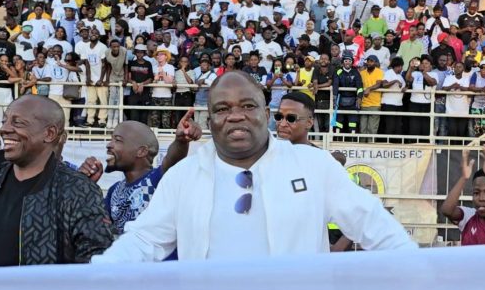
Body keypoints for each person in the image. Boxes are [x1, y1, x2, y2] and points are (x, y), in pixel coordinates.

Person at [92, 71, 416, 262]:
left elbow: (374, 225)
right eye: (222, 108)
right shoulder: (182, 177)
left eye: (248, 106)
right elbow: (143, 241)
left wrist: (423, 275)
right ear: (211, 119)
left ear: (265, 112)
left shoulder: (314, 165)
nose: (235, 115)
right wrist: (93, 278)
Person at [0, 96, 113, 268]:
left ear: (49, 133)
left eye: (18, 123)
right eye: (5, 121)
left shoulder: (78, 190)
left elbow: (95, 259)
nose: (5, 129)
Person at [78, 113, 202, 235]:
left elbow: (172, 161)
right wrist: (85, 183)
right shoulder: (114, 190)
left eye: (117, 140)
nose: (109, 145)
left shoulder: (156, 180)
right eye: (111, 139)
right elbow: (96, 226)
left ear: (141, 151)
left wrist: (181, 141)